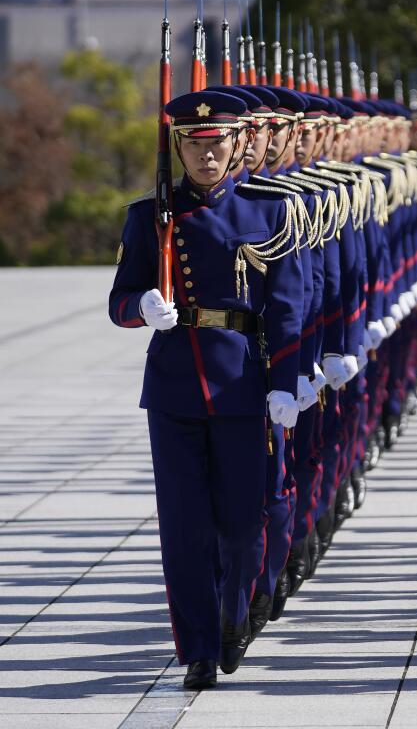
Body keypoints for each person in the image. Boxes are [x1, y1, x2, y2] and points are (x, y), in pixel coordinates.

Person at [107, 89, 304, 690]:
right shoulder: (151, 215)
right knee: (184, 526)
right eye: (193, 145)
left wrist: (286, 384)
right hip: (173, 386)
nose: (206, 155)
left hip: (243, 381)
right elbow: (118, 302)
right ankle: (195, 647)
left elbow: (288, 306)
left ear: (236, 144)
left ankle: (233, 613)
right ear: (179, 148)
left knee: (244, 524)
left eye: (216, 143)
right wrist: (142, 306)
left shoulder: (270, 212)